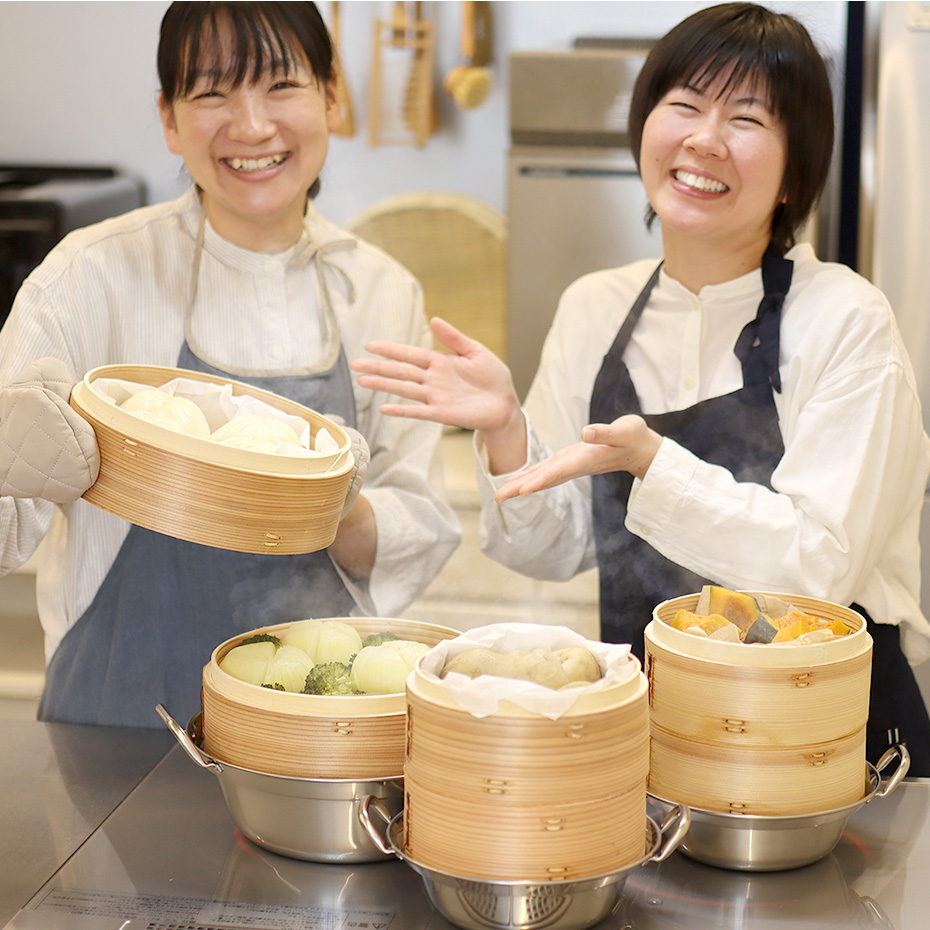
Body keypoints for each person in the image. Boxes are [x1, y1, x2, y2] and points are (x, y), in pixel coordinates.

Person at [352, 2, 930, 774]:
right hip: (652, 737)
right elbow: (553, 550)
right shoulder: (595, 307)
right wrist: (506, 433)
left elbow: (819, 571)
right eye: (684, 104)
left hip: (829, 747)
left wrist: (655, 463)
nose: (703, 138)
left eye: (747, 119)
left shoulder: (847, 321)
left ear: (797, 171)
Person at [0, 1, 459, 728]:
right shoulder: (87, 278)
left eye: (281, 86)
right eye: (212, 92)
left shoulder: (379, 290)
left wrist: (323, 503)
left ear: (332, 97)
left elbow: (417, 528)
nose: (250, 127)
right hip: (114, 722)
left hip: (315, 732)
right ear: (169, 119)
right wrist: (11, 457)